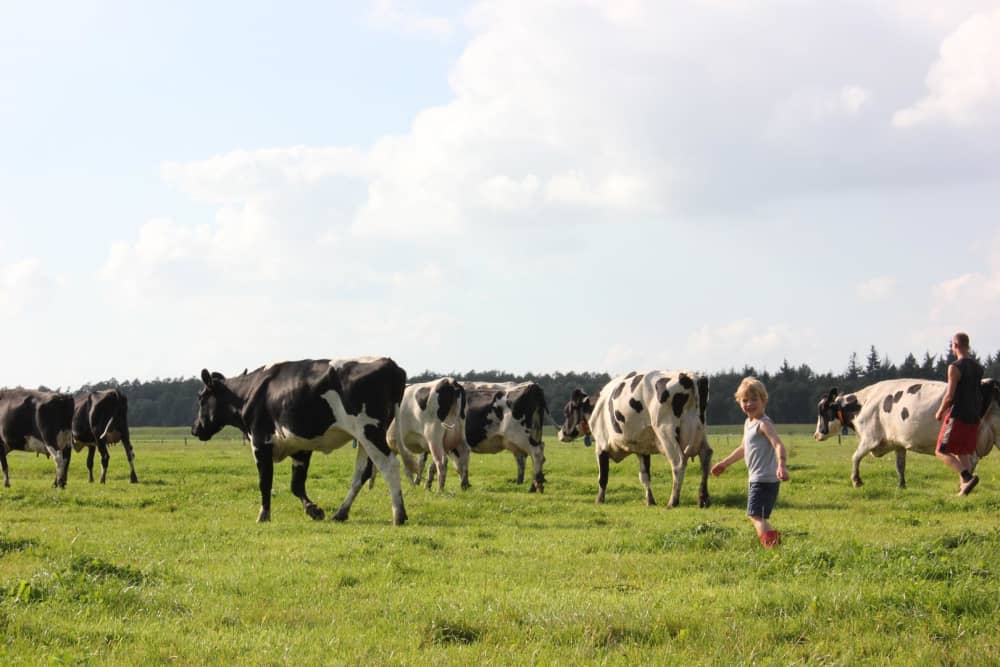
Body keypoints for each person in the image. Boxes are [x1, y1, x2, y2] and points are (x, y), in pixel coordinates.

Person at [711, 377, 789, 548]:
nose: (749, 404)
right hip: (758, 479)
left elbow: (778, 444)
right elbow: (743, 448)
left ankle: (772, 545)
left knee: (755, 516)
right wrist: (725, 463)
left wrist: (781, 465)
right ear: (739, 402)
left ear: (764, 400)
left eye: (754, 399)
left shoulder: (764, 424)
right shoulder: (749, 423)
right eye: (745, 400)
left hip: (764, 479)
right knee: (758, 515)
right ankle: (774, 543)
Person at [935, 332, 984, 495]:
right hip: (974, 417)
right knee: (963, 452)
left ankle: (967, 477)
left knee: (940, 451)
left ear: (955, 345)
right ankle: (964, 490)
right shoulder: (978, 368)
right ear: (967, 345)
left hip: (957, 415)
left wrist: (940, 411)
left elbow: (950, 396)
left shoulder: (954, 367)